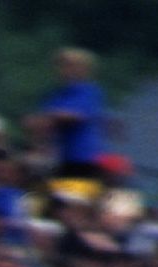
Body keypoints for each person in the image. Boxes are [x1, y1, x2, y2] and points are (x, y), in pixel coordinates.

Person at [37, 49, 112, 180]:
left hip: (83, 157)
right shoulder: (57, 94)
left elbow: (77, 116)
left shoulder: (89, 91)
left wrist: (52, 115)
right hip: (61, 155)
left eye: (70, 65)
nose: (64, 70)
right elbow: (43, 121)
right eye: (62, 65)